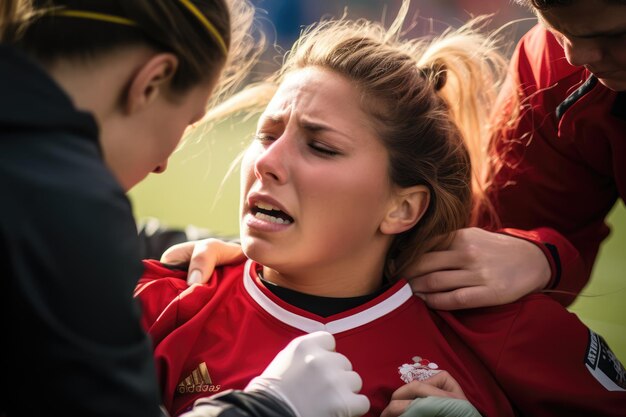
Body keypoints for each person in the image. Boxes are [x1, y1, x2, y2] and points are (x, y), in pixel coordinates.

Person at [133, 2, 626, 416]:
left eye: (321, 147)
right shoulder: (165, 302)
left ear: (403, 208)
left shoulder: (502, 331)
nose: (268, 161)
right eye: (266, 134)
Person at [0, 1, 368, 417]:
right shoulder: (69, 205)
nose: (162, 165)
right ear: (152, 80)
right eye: (185, 122)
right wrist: (269, 405)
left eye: (320, 147)